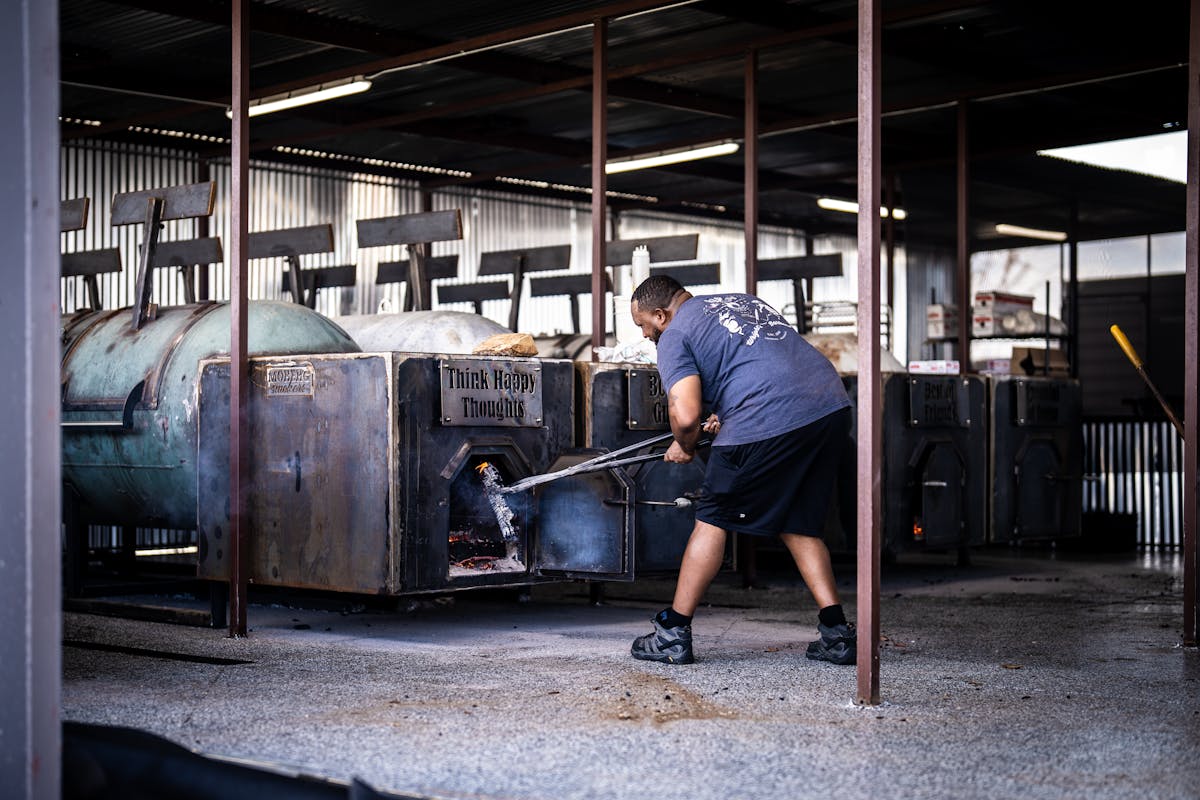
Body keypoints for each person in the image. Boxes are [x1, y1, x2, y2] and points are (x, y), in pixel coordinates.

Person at [627, 275, 855, 666]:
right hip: (829, 408)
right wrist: (724, 414)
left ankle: (673, 632)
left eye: (644, 325)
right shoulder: (741, 302)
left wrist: (684, 443)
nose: (646, 335)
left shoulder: (675, 335)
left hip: (769, 418)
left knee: (713, 516)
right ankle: (837, 633)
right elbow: (755, 366)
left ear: (661, 315)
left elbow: (685, 415)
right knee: (798, 521)